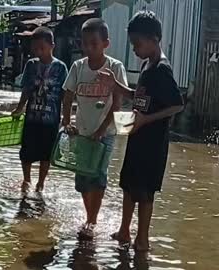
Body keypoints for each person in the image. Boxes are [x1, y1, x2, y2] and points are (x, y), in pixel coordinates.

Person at [97, 11, 184, 251]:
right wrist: (117, 86)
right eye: (133, 44)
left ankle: (142, 239)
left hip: (153, 142)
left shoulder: (162, 69)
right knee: (128, 184)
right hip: (137, 136)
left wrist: (147, 120)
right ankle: (125, 231)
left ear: (154, 39)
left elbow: (177, 105)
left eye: (137, 44)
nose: (134, 49)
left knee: (145, 191)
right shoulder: (148, 65)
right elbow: (140, 96)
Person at [62, 18, 128, 240]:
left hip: (106, 133)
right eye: (85, 43)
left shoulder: (115, 67)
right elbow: (68, 95)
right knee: (82, 179)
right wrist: (66, 121)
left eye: (94, 44)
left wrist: (101, 130)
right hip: (82, 132)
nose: (89, 48)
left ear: (105, 44)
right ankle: (89, 214)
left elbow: (118, 105)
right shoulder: (78, 67)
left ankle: (92, 220)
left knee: (98, 175)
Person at [12, 27, 68, 192]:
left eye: (41, 48)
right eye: (35, 48)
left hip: (51, 120)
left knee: (46, 154)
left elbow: (65, 95)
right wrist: (19, 108)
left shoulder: (61, 67)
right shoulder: (31, 65)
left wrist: (66, 118)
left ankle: (41, 183)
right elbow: (26, 90)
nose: (38, 51)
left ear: (52, 46)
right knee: (26, 152)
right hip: (32, 118)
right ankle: (27, 180)